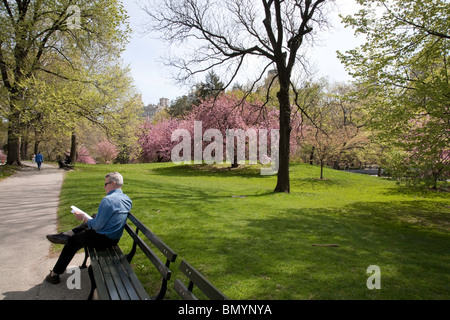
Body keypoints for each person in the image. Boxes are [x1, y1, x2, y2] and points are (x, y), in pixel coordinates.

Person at [45, 172, 132, 284]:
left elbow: (96, 226)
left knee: (72, 243)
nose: (104, 186)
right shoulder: (127, 199)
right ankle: (67, 233)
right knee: (94, 217)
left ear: (113, 184)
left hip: (104, 239)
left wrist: (83, 217)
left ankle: (54, 274)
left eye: (106, 184)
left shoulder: (108, 200)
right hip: (114, 238)